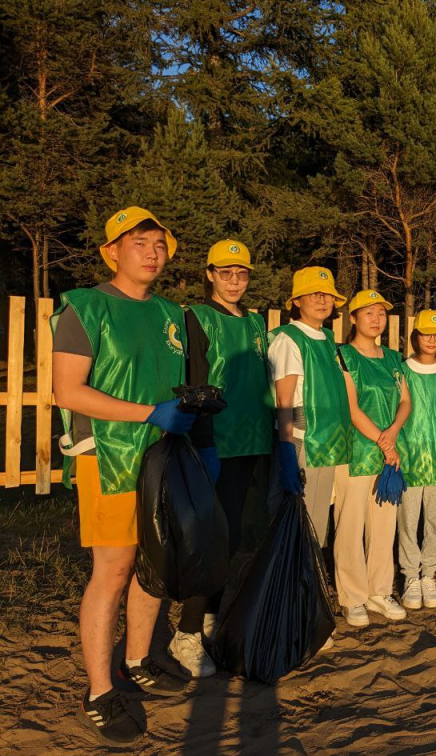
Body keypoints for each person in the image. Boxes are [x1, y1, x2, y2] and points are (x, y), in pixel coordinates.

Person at [53, 207, 191, 745]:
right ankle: (98, 689)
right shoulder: (85, 308)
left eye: (159, 243)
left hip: (161, 457)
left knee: (153, 563)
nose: (152, 252)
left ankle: (138, 660)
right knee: (113, 569)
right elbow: (69, 391)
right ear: (111, 251)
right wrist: (148, 413)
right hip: (108, 455)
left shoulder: (169, 314)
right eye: (139, 243)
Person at [171, 240, 274, 677]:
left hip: (255, 442)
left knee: (235, 541)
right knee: (214, 540)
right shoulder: (198, 316)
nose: (234, 281)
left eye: (242, 273)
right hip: (219, 443)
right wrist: (205, 441)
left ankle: (211, 615)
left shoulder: (255, 322)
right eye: (225, 272)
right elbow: (195, 382)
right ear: (210, 273)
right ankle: (186, 633)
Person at [337, 290, 411, 626]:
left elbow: (405, 401)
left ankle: (379, 590)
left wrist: (393, 433)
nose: (376, 319)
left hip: (390, 453)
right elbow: (351, 408)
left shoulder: (394, 358)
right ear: (353, 318)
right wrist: (384, 442)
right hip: (355, 452)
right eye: (368, 313)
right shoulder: (343, 356)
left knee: (384, 527)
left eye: (380, 313)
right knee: (350, 527)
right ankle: (352, 597)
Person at [268, 267, 351, 548]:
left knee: (316, 523)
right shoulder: (288, 339)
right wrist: (287, 450)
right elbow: (284, 400)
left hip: (327, 442)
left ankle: (308, 585)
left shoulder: (328, 339)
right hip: (303, 439)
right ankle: (289, 588)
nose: (322, 300)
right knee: (295, 521)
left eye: (328, 295)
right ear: (297, 300)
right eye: (314, 294)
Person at [397, 310, 436, 611]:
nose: (432, 339)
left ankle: (428, 574)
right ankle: (409, 575)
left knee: (435, 522)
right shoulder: (401, 371)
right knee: (408, 521)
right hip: (409, 457)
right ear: (415, 336)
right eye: (425, 333)